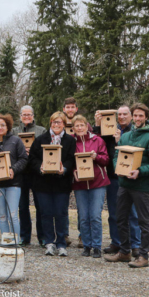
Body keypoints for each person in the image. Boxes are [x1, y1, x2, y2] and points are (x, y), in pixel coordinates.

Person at [105, 103, 149, 268]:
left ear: (146, 117)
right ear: (132, 116)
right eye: (135, 115)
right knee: (121, 218)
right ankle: (124, 252)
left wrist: (140, 171)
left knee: (143, 221)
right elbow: (117, 155)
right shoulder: (125, 136)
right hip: (124, 185)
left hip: (141, 186)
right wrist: (119, 167)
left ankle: (143, 255)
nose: (137, 119)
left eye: (140, 116)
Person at [93, 105, 141, 257]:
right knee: (114, 212)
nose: (122, 117)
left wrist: (120, 141)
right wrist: (97, 124)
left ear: (131, 116)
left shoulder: (136, 132)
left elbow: (136, 152)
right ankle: (116, 242)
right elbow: (96, 142)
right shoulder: (110, 129)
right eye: (119, 114)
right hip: (113, 177)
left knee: (132, 213)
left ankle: (135, 245)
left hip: (130, 177)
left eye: (125, 114)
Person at [29, 111, 76, 256]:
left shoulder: (70, 140)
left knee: (61, 213)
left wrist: (65, 169)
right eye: (54, 122)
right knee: (46, 213)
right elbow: (32, 159)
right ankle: (49, 242)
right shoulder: (40, 139)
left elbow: (71, 159)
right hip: (43, 183)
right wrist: (40, 167)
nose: (57, 125)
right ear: (50, 123)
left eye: (60, 122)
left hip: (61, 183)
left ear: (64, 124)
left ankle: (61, 243)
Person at [71, 115, 110, 258]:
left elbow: (106, 160)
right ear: (73, 128)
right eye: (77, 126)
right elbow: (68, 161)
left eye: (82, 125)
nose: (80, 128)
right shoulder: (71, 142)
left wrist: (96, 157)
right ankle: (86, 246)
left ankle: (96, 246)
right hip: (80, 184)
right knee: (83, 216)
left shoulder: (97, 140)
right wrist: (73, 171)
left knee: (95, 216)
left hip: (97, 183)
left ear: (87, 126)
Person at [0, 114, 28, 242]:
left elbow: (23, 159)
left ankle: (15, 241)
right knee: (2, 215)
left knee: (13, 214)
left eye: (2, 125)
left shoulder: (16, 140)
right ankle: (6, 241)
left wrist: (13, 169)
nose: (0, 127)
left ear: (8, 126)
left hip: (13, 184)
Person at [11, 105, 46, 247]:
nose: (26, 117)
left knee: (40, 206)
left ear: (33, 116)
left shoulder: (41, 130)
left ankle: (42, 237)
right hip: (20, 173)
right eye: (24, 114)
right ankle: (25, 236)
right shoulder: (14, 131)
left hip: (36, 172)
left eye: (29, 114)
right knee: (22, 207)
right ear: (20, 116)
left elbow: (45, 149)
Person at [62, 97, 92, 248]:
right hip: (67, 171)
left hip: (83, 171)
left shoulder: (85, 125)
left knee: (82, 208)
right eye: (68, 107)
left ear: (76, 108)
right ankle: (65, 234)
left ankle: (82, 235)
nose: (70, 109)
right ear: (64, 109)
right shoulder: (60, 122)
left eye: (72, 107)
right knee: (64, 204)